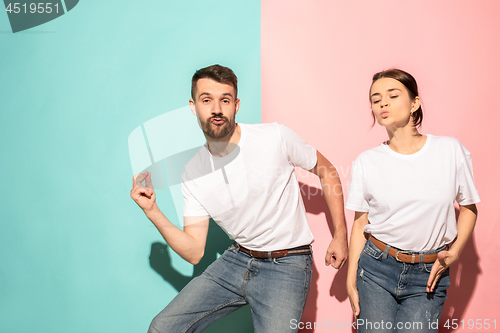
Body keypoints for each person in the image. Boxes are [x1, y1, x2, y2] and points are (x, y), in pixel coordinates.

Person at [130, 64, 348, 332]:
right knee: (162, 328)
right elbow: (195, 252)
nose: (217, 109)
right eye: (206, 100)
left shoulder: (274, 137)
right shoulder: (192, 173)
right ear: (193, 105)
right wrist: (153, 211)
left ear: (236, 105)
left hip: (287, 264)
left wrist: (340, 235)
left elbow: (327, 171)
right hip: (236, 260)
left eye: (225, 100)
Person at [345, 69, 480, 333]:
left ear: (415, 103)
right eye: (375, 99)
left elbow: (469, 208)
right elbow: (361, 222)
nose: (383, 103)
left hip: (428, 274)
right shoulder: (366, 161)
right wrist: (351, 279)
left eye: (392, 95)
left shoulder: (450, 150)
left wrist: (455, 252)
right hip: (375, 269)